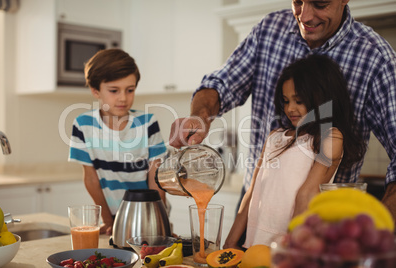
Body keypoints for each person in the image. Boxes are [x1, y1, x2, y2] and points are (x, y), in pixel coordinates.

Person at [169, 0, 396, 224]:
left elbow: (305, 197)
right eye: (297, 1)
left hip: (322, 222)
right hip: (255, 206)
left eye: (320, 3)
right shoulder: (269, 29)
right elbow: (221, 83)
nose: (305, 16)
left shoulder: (376, 58)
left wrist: (378, 228)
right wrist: (200, 115)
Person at [223, 54, 366, 248]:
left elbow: (306, 195)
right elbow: (253, 190)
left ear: (321, 98)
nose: (290, 108)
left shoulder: (330, 136)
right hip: (253, 243)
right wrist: (230, 242)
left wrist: (288, 250)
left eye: (298, 101)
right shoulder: (275, 136)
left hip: (289, 245)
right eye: (286, 100)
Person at [69, 49, 167, 235]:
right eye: (114, 90)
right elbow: (91, 179)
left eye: (130, 90)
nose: (123, 98)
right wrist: (108, 220)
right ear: (95, 91)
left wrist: (161, 225)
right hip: (112, 216)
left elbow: (157, 179)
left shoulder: (148, 123)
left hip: (149, 215)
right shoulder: (83, 125)